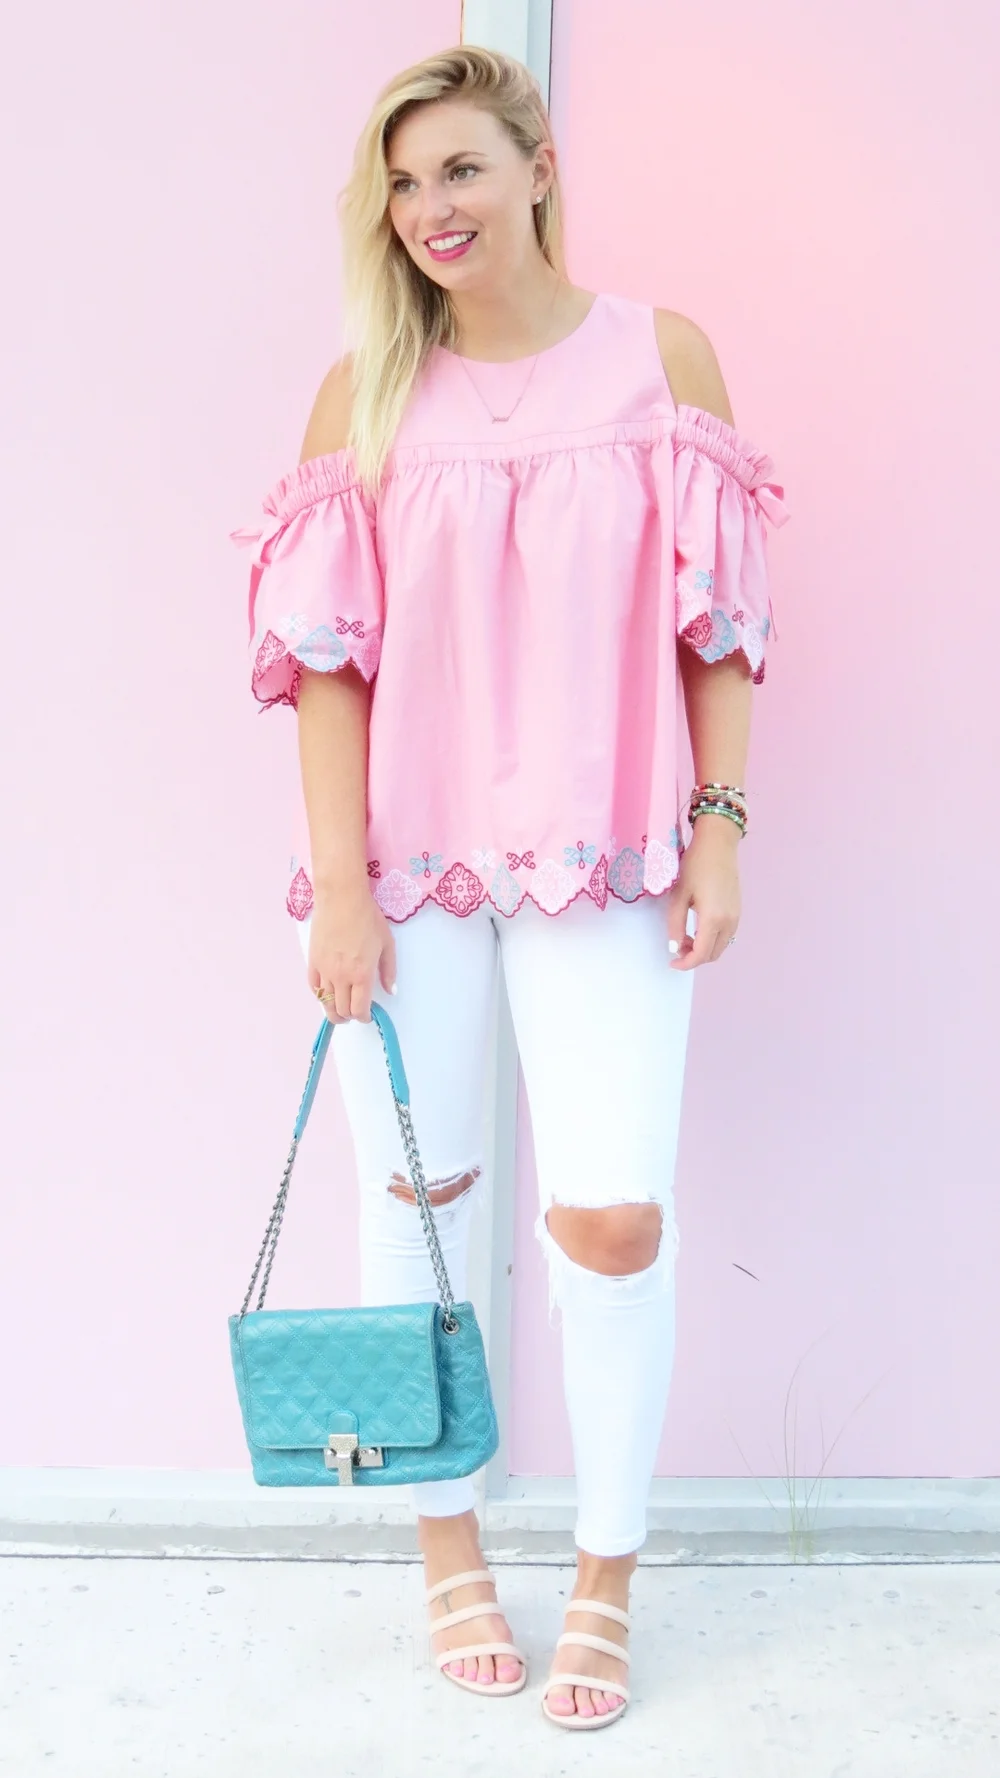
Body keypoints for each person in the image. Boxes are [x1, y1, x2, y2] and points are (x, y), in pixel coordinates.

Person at [232, 44, 788, 1732]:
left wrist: (720, 822)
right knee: (420, 1204)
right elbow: (330, 671)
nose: (432, 209)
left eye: (461, 169)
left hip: (607, 855)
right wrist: (341, 887)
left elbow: (717, 626)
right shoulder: (364, 393)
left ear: (538, 167)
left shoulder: (658, 357)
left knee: (612, 1221)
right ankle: (445, 1537)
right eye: (404, 185)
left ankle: (609, 1564)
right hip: (406, 874)